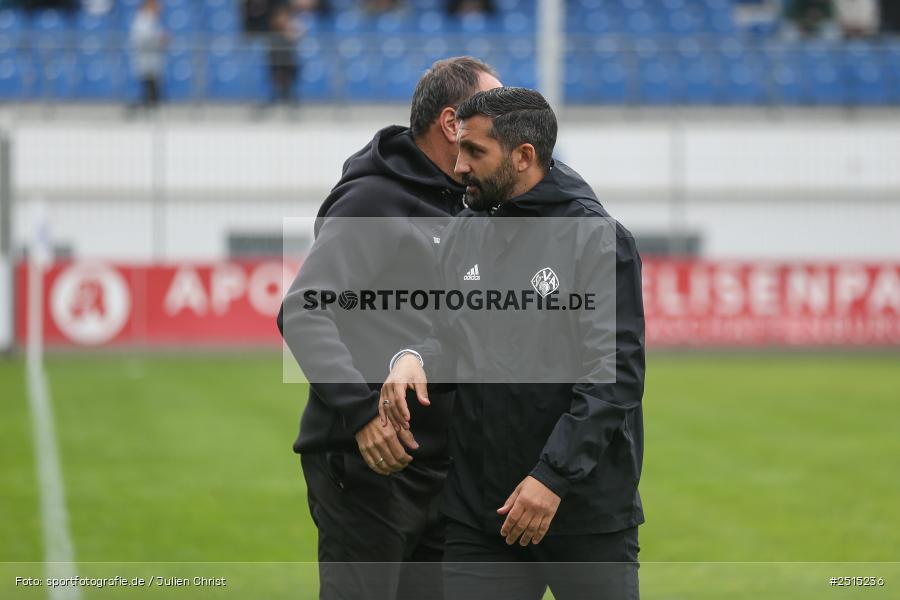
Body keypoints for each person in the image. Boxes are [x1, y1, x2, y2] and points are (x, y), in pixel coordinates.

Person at [381, 87, 645, 600]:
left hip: (582, 513)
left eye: (474, 151)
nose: (458, 165)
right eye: (458, 149)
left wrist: (552, 478)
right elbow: (452, 337)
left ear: (524, 156)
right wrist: (415, 359)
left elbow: (613, 377)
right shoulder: (465, 229)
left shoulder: (596, 238)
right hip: (481, 517)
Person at [278, 57, 501, 600]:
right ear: (452, 123)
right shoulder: (374, 199)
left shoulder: (472, 206)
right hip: (369, 467)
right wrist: (361, 414)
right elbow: (303, 309)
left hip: (446, 471)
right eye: (493, 110)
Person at [129, 0, 167, 108]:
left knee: (153, 85)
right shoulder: (142, 19)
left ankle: (150, 106)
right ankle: (144, 107)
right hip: (146, 57)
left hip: (152, 58)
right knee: (148, 84)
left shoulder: (152, 19)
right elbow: (143, 38)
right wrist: (160, 39)